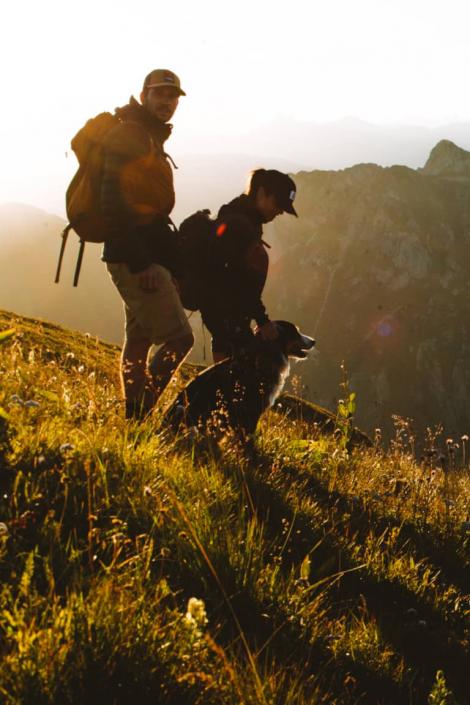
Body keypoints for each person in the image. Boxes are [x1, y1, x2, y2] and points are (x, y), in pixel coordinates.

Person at [101, 69, 194, 420]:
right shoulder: (130, 135)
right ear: (143, 95)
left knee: (139, 341)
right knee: (181, 339)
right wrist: (142, 264)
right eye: (160, 95)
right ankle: (140, 414)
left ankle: (132, 419)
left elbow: (148, 211)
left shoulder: (147, 135)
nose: (167, 103)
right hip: (135, 258)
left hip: (143, 254)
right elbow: (112, 200)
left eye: (172, 98)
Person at [200, 169, 298, 363]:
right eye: (278, 204)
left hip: (224, 310)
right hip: (225, 309)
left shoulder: (245, 220)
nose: (279, 211)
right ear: (261, 193)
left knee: (231, 361)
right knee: (236, 366)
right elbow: (239, 281)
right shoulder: (239, 225)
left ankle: (222, 390)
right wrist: (262, 320)